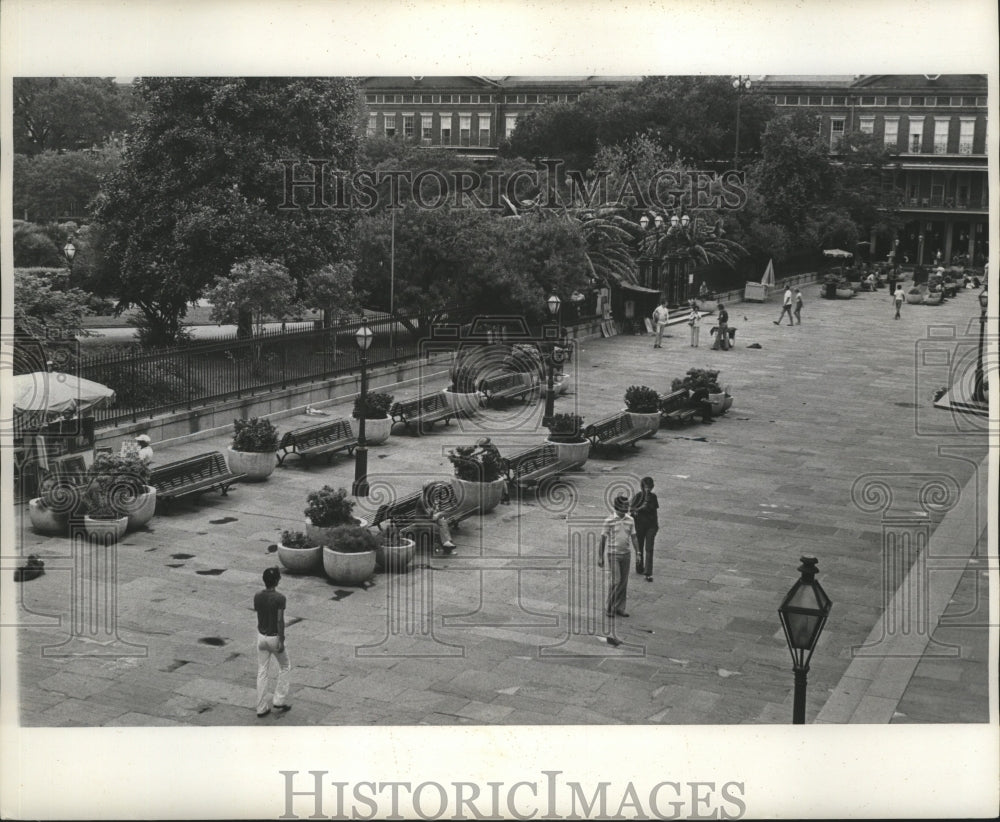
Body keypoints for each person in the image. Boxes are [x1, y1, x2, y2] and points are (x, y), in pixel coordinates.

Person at [598, 495, 638, 637]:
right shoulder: (609, 521)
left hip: (626, 554)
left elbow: (634, 536)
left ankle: (620, 607)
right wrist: (600, 556)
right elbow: (603, 539)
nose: (627, 507)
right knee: (616, 581)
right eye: (625, 505)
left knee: (623, 582)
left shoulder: (630, 520)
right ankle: (610, 606)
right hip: (613, 554)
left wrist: (638, 552)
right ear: (618, 506)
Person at [254, 566, 291, 718]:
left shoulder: (257, 596)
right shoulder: (280, 598)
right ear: (277, 581)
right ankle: (279, 700)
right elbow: (279, 620)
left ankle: (261, 707)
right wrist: (281, 639)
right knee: (285, 665)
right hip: (274, 636)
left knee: (262, 671)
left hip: (261, 636)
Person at [630, 477, 659, 582]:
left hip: (651, 526)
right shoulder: (637, 497)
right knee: (639, 547)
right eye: (645, 487)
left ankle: (648, 571)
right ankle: (639, 566)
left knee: (649, 548)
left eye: (649, 488)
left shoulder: (653, 497)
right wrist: (635, 511)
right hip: (639, 526)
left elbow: (649, 507)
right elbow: (631, 509)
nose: (647, 490)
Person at [417, 480, 456, 553]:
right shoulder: (423, 500)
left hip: (428, 519)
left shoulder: (430, 497)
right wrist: (435, 510)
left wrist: (436, 508)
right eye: (432, 489)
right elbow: (430, 515)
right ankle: (446, 546)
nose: (434, 490)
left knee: (443, 521)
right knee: (436, 527)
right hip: (422, 520)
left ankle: (448, 542)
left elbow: (433, 513)